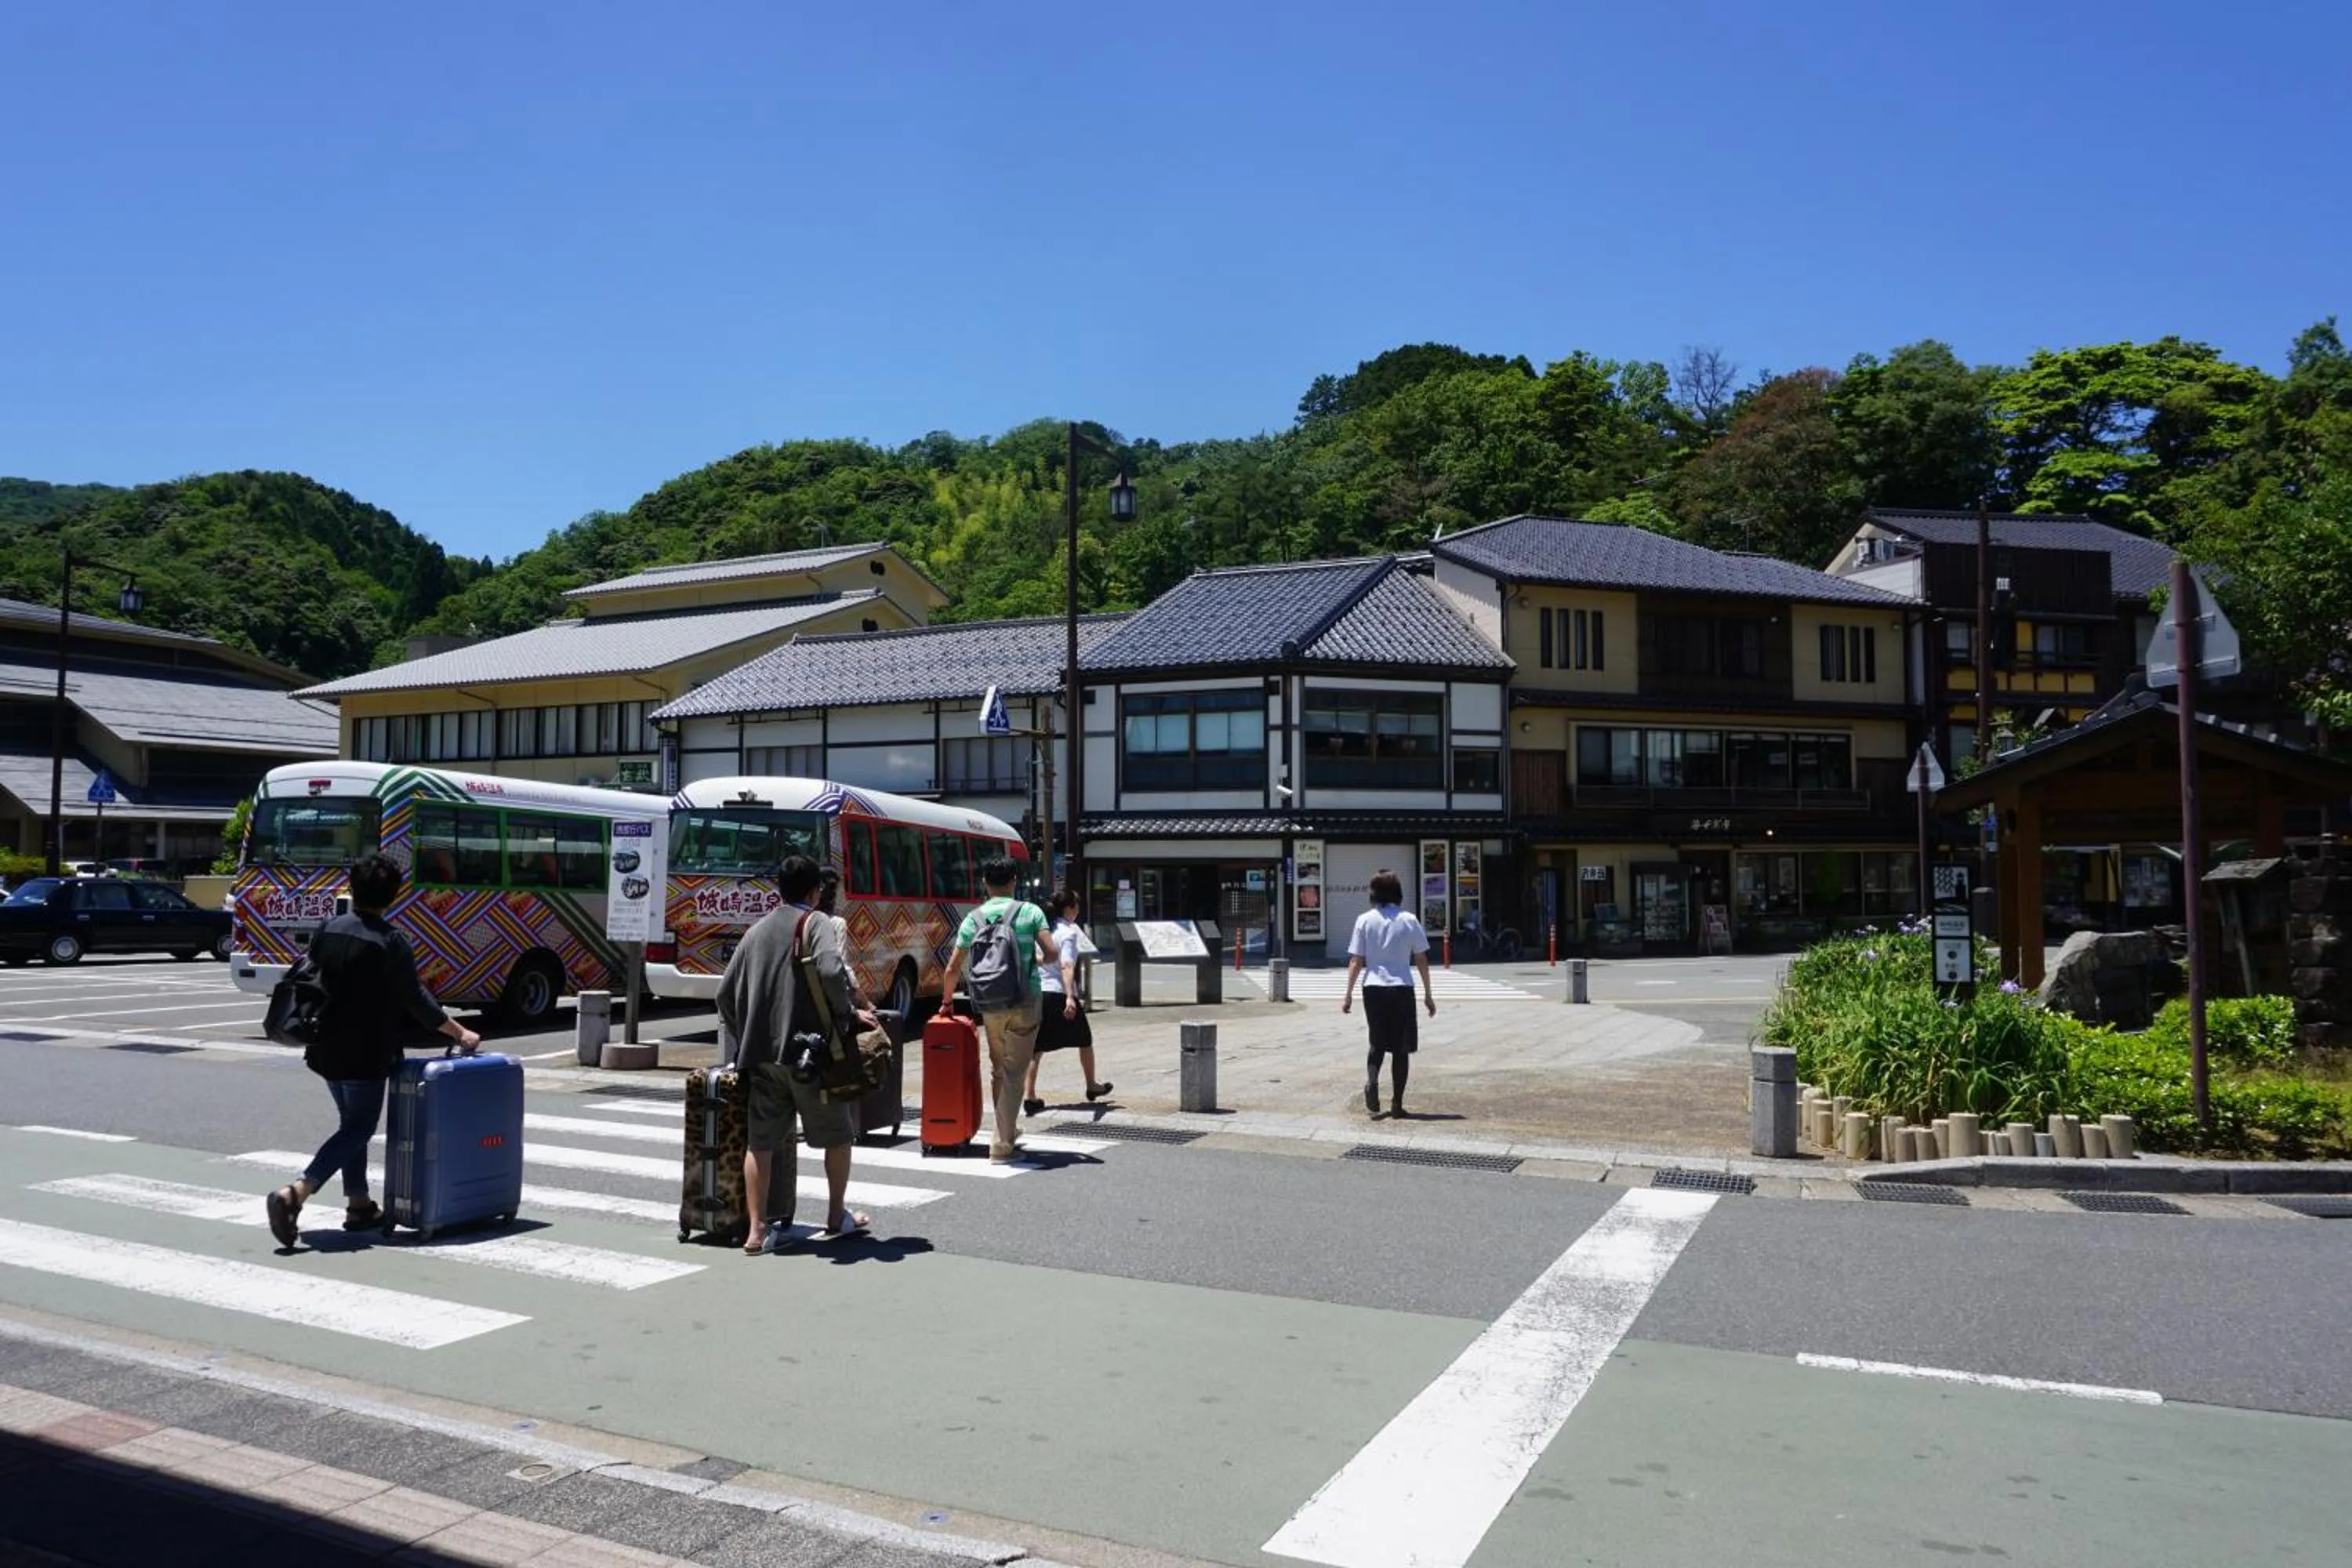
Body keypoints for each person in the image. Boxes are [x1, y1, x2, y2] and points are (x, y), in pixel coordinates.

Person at [266, 852, 479, 1247]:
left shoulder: (328, 929)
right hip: (365, 1051)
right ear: (393, 896)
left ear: (353, 887)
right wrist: (458, 1031)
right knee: (358, 1128)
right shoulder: (391, 942)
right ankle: (296, 1192)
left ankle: (359, 1204)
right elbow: (416, 1000)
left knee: (351, 1124)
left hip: (324, 1044)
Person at [716, 854, 880, 1254]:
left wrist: (749, 1035)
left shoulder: (755, 932)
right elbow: (828, 970)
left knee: (761, 1143)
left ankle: (757, 1232)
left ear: (778, 889)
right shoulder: (817, 922)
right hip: (812, 1054)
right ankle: (835, 1216)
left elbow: (724, 995)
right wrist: (846, 1012)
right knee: (838, 1136)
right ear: (815, 891)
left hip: (761, 1057)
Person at [951, 856, 1058, 1163]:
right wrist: (1036, 961)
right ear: (1014, 881)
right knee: (1015, 1073)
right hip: (1025, 999)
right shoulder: (1030, 912)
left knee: (999, 1069)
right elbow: (1052, 952)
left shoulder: (974, 918)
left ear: (985, 883)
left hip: (989, 1003)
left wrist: (947, 1001)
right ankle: (1001, 1144)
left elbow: (953, 967)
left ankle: (1007, 1126)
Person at [1338, 868, 1437, 1118]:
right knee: (1401, 1049)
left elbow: (1356, 960)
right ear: (1398, 893)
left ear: (1374, 894)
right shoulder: (1409, 920)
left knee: (1377, 1041)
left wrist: (1348, 994)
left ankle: (1372, 1082)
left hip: (1373, 988)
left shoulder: (1364, 920)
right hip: (1402, 987)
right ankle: (1396, 1103)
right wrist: (1428, 993)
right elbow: (1421, 958)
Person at [1022, 887, 1110, 1115]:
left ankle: (1029, 1096)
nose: (1078, 909)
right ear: (1069, 908)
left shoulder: (1042, 930)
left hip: (1038, 992)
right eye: (1076, 905)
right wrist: (1070, 996)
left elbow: (1036, 959)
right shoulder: (1068, 932)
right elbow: (1067, 965)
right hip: (1059, 993)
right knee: (1085, 1039)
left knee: (1036, 1047)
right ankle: (1091, 1085)